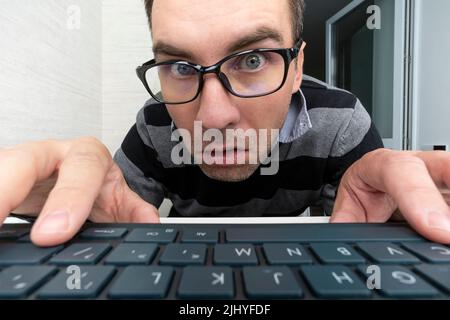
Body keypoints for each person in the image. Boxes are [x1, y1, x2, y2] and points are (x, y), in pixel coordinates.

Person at [0, 0, 449, 247]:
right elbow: (114, 212)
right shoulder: (154, 125)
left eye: (252, 59)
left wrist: (404, 237)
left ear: (296, 69)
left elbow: (356, 238)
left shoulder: (341, 120)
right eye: (178, 65)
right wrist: (63, 212)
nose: (213, 117)